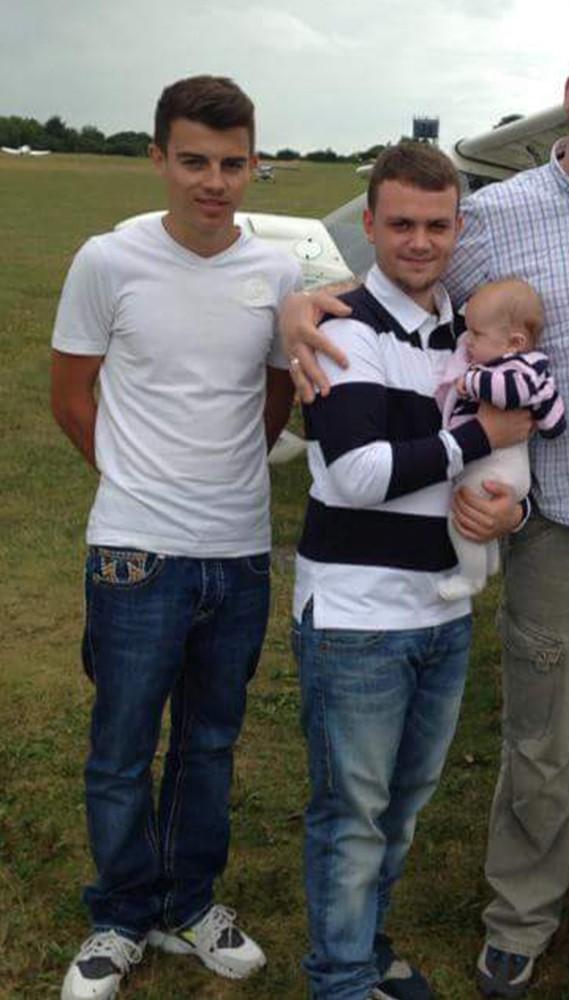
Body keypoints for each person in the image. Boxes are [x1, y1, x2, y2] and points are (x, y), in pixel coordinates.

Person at [281, 20, 569, 1000]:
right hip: (567, 527)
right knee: (542, 745)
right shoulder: (494, 216)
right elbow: (394, 278)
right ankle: (518, 923)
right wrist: (299, 305)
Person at [50, 76, 300, 1000]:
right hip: (134, 552)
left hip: (237, 552)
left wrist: (220, 476)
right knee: (121, 746)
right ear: (158, 157)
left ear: (252, 164)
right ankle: (119, 915)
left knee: (210, 742)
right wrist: (133, 478)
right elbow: (72, 394)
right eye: (194, 161)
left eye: (233, 164)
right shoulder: (106, 261)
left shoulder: (275, 273)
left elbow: (273, 400)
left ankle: (189, 903)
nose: (215, 182)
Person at [291, 143, 531, 1000]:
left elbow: (494, 478)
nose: (420, 241)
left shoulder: (472, 332)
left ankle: (364, 946)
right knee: (352, 817)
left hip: (440, 614)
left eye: (437, 225)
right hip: (358, 617)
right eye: (401, 224)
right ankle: (342, 979)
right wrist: (480, 438)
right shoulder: (341, 326)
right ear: (369, 225)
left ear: (459, 228)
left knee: (401, 810)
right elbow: (353, 476)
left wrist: (514, 510)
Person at [436, 278, 566, 600]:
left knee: (461, 520)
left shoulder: (519, 369)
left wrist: (471, 381)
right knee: (481, 520)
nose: (468, 342)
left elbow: (511, 393)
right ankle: (490, 560)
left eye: (477, 335)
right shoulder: (535, 369)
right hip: (507, 470)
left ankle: (471, 578)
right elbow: (555, 422)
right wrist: (547, 419)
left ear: (514, 341)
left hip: (495, 470)